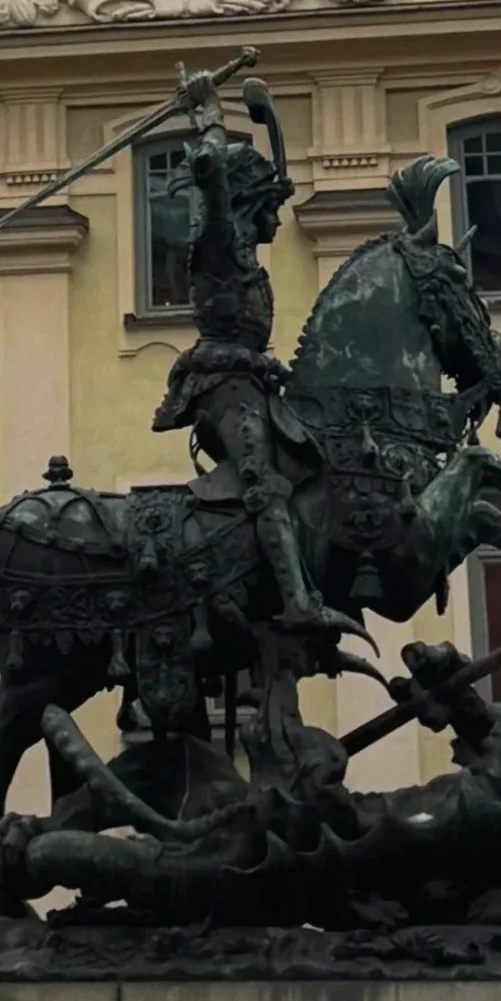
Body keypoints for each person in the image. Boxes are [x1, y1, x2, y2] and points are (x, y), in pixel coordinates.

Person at [150, 71, 352, 635]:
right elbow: (211, 177)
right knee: (263, 484)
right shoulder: (216, 245)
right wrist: (211, 119)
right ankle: (296, 601)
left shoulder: (243, 257)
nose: (277, 219)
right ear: (247, 202)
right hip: (221, 390)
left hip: (252, 384)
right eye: (270, 205)